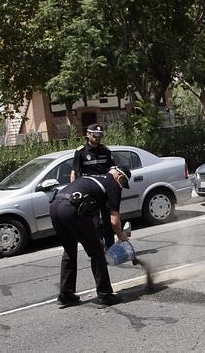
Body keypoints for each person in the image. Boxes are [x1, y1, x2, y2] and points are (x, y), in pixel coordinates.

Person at [50, 165, 132, 308]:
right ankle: (105, 295)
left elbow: (91, 216)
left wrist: (98, 237)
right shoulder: (113, 184)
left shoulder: (93, 179)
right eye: (124, 182)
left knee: (69, 251)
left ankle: (65, 295)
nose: (122, 186)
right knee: (97, 252)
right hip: (72, 209)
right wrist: (121, 235)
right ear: (120, 177)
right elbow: (114, 219)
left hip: (55, 206)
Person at [71, 123, 116, 247]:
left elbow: (112, 169)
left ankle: (111, 248)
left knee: (108, 222)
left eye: (100, 135)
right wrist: (73, 191)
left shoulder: (105, 150)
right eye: (95, 135)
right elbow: (74, 172)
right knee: (95, 223)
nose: (98, 138)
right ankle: (100, 249)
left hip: (105, 191)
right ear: (88, 134)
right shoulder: (81, 152)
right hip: (90, 193)